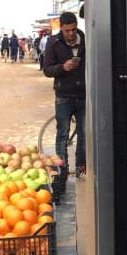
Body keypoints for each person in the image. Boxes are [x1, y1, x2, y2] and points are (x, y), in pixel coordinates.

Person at [42, 12, 86, 180]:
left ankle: (82, 170)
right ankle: (63, 172)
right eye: (67, 30)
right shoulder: (54, 42)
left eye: (73, 30)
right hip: (63, 96)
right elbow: (47, 69)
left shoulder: (84, 39)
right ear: (61, 28)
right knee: (62, 134)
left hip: (83, 95)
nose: (70, 33)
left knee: (84, 134)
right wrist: (62, 68)